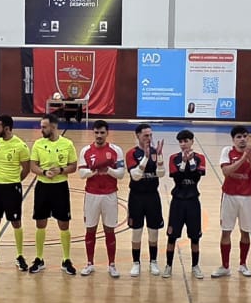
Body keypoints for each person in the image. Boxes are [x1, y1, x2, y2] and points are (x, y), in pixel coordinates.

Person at [27, 114, 78, 275]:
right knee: (40, 223)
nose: (41, 129)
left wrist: (61, 170)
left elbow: (73, 166)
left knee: (64, 223)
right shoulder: (38, 144)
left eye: (44, 127)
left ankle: (66, 259)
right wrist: (44, 172)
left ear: (53, 127)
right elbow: (33, 166)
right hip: (42, 187)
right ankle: (39, 258)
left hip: (60, 187)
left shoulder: (67, 144)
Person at [0, 114, 31, 272]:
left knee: (16, 222)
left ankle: (20, 256)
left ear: (7, 128)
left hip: (12, 188)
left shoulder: (20, 146)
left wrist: (15, 180)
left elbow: (26, 168)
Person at [77, 119, 127, 278]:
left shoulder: (116, 150)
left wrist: (108, 170)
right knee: (90, 229)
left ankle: (112, 265)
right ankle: (89, 263)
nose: (99, 135)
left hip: (110, 195)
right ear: (93, 133)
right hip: (91, 195)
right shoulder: (85, 150)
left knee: (109, 230)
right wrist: (94, 171)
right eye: (96, 132)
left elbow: (121, 174)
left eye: (102, 133)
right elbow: (81, 173)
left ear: (107, 133)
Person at [212, 125, 251, 278]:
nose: (242, 139)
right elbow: (226, 171)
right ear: (233, 139)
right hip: (229, 196)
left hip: (247, 197)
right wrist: (243, 159)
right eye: (239, 137)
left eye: (245, 136)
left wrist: (250, 159)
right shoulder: (227, 151)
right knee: (226, 231)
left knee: (245, 231)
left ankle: (243, 264)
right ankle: (225, 266)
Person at [164, 130, 206, 279]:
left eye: (186, 141)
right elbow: (177, 178)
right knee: (172, 236)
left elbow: (196, 176)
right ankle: (168, 266)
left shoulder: (200, 158)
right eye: (181, 142)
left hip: (193, 201)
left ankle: (195, 266)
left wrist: (191, 161)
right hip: (177, 202)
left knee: (195, 237)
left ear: (192, 141)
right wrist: (183, 162)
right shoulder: (173, 158)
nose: (183, 144)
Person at [125, 125, 164, 277]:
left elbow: (160, 174)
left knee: (153, 231)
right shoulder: (132, 153)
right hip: (136, 197)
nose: (149, 138)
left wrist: (159, 158)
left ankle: (153, 261)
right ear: (138, 136)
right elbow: (135, 176)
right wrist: (146, 158)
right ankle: (136, 263)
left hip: (152, 197)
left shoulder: (156, 152)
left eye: (150, 135)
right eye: (146, 135)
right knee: (137, 231)